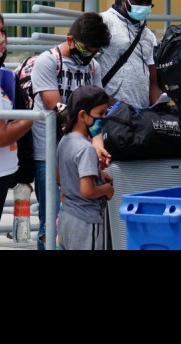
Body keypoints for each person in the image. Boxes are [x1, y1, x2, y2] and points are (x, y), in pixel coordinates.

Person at [29, 11, 111, 250]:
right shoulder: (48, 62)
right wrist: (88, 146)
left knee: (74, 216)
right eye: (86, 51)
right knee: (50, 222)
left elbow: (97, 110)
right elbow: (57, 110)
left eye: (95, 52)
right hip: (49, 153)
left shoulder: (93, 67)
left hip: (78, 151)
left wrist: (98, 145)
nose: (89, 57)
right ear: (70, 40)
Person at [0, 6, 34, 250]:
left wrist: (24, 175)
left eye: (3, 31)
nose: (1, 38)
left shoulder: (2, 76)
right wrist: (32, 118)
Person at [56, 84, 114, 250]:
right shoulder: (86, 148)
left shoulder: (64, 141)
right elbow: (87, 191)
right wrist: (107, 189)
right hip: (86, 222)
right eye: (100, 113)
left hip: (66, 218)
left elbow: (60, 176)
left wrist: (97, 174)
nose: (104, 118)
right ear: (82, 115)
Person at [100, 0, 161, 107]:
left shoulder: (148, 36)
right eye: (138, 1)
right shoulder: (104, 23)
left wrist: (159, 109)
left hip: (140, 114)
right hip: (109, 112)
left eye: (148, 2)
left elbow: (153, 83)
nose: (143, 6)